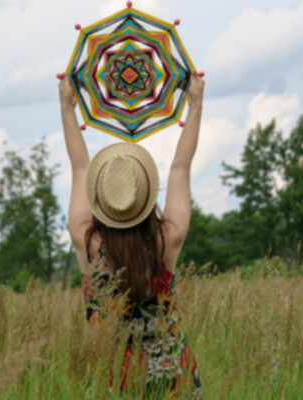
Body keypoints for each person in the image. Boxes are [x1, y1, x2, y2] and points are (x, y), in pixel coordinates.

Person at [59, 72, 205, 398]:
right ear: (146, 196)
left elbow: (79, 166)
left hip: (112, 383)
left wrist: (67, 106)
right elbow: (181, 166)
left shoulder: (89, 243)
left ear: (102, 201)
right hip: (173, 378)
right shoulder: (167, 238)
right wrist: (194, 103)